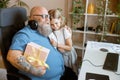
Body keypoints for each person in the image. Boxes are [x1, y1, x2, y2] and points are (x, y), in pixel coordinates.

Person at [7, 6, 64, 80]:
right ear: (32, 19)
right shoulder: (24, 35)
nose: (48, 20)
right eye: (44, 16)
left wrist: (64, 28)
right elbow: (12, 56)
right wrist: (33, 69)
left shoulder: (42, 30)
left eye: (48, 16)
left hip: (60, 74)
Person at [48, 9, 78, 80]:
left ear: (60, 20)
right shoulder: (52, 31)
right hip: (62, 55)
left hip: (69, 55)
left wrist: (57, 45)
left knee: (73, 72)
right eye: (51, 24)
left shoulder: (65, 30)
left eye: (56, 23)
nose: (54, 26)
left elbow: (69, 47)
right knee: (65, 72)